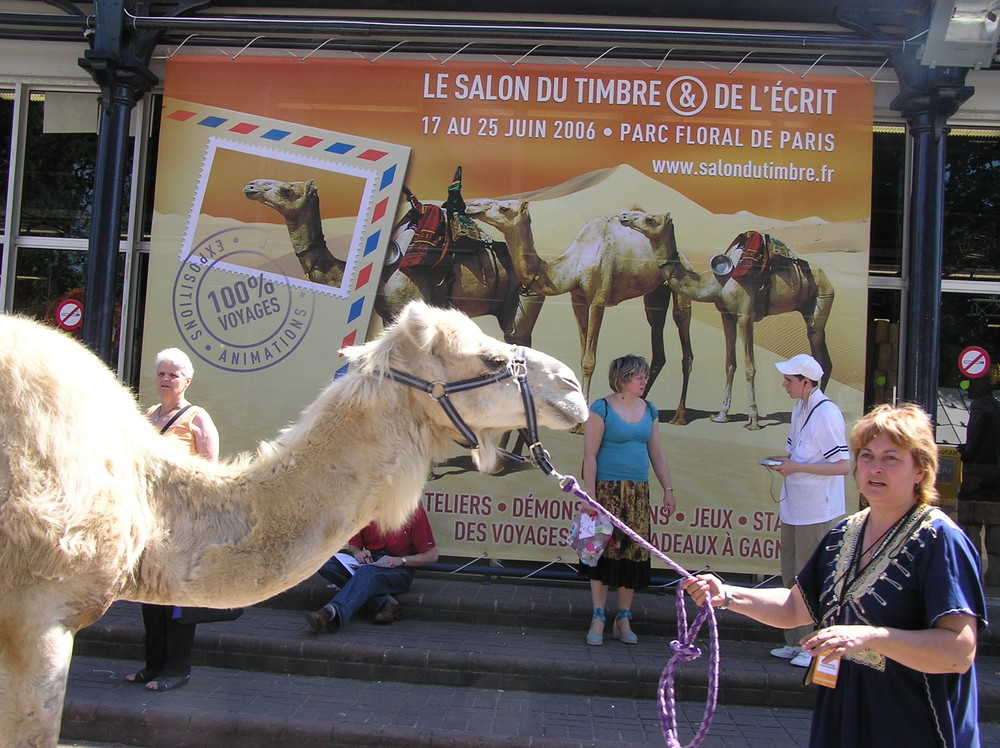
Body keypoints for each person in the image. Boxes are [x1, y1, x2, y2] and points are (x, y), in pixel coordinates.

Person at [685, 403, 987, 748]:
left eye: (891, 458)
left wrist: (871, 637)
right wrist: (727, 594)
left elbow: (958, 652)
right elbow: (795, 608)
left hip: (914, 726)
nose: (875, 468)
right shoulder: (846, 532)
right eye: (867, 456)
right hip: (845, 720)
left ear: (920, 470)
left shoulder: (938, 539)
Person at [127, 347, 220, 692]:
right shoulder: (149, 414)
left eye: (173, 375)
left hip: (183, 526)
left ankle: (177, 670)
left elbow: (210, 476)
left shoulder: (197, 418)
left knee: (177, 602)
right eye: (162, 374)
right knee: (150, 597)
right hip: (149, 524)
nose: (166, 380)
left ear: (187, 381)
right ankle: (152, 667)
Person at [579, 354, 675, 646]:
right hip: (605, 491)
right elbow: (590, 455)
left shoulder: (650, 409)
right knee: (601, 553)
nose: (645, 381)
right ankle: (598, 616)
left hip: (637, 493)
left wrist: (668, 489)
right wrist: (590, 497)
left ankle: (623, 617)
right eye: (639, 377)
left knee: (633, 554)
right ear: (623, 379)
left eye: (645, 376)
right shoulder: (602, 407)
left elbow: (656, 453)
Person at [763, 353, 849, 667]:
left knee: (812, 577)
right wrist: (783, 462)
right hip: (795, 505)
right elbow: (798, 454)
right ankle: (795, 641)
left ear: (807, 382)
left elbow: (843, 466)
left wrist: (795, 466)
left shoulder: (827, 412)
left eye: (789, 379)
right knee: (791, 574)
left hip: (817, 509)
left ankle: (813, 646)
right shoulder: (801, 408)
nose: (784, 384)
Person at [305, 504, 438, 633]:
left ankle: (329, 612)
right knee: (325, 563)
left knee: (367, 572)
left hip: (400, 567)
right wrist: (358, 553)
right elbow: (355, 545)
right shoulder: (365, 505)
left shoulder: (412, 508)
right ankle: (384, 603)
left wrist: (400, 560)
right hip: (370, 561)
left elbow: (432, 556)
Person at [957, 368, 1000, 585]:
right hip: (994, 473)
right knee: (994, 523)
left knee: (971, 521)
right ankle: (994, 576)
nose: (968, 388)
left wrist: (968, 452)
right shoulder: (994, 406)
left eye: (972, 383)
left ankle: (971, 575)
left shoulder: (982, 406)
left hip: (979, 471)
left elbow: (978, 435)